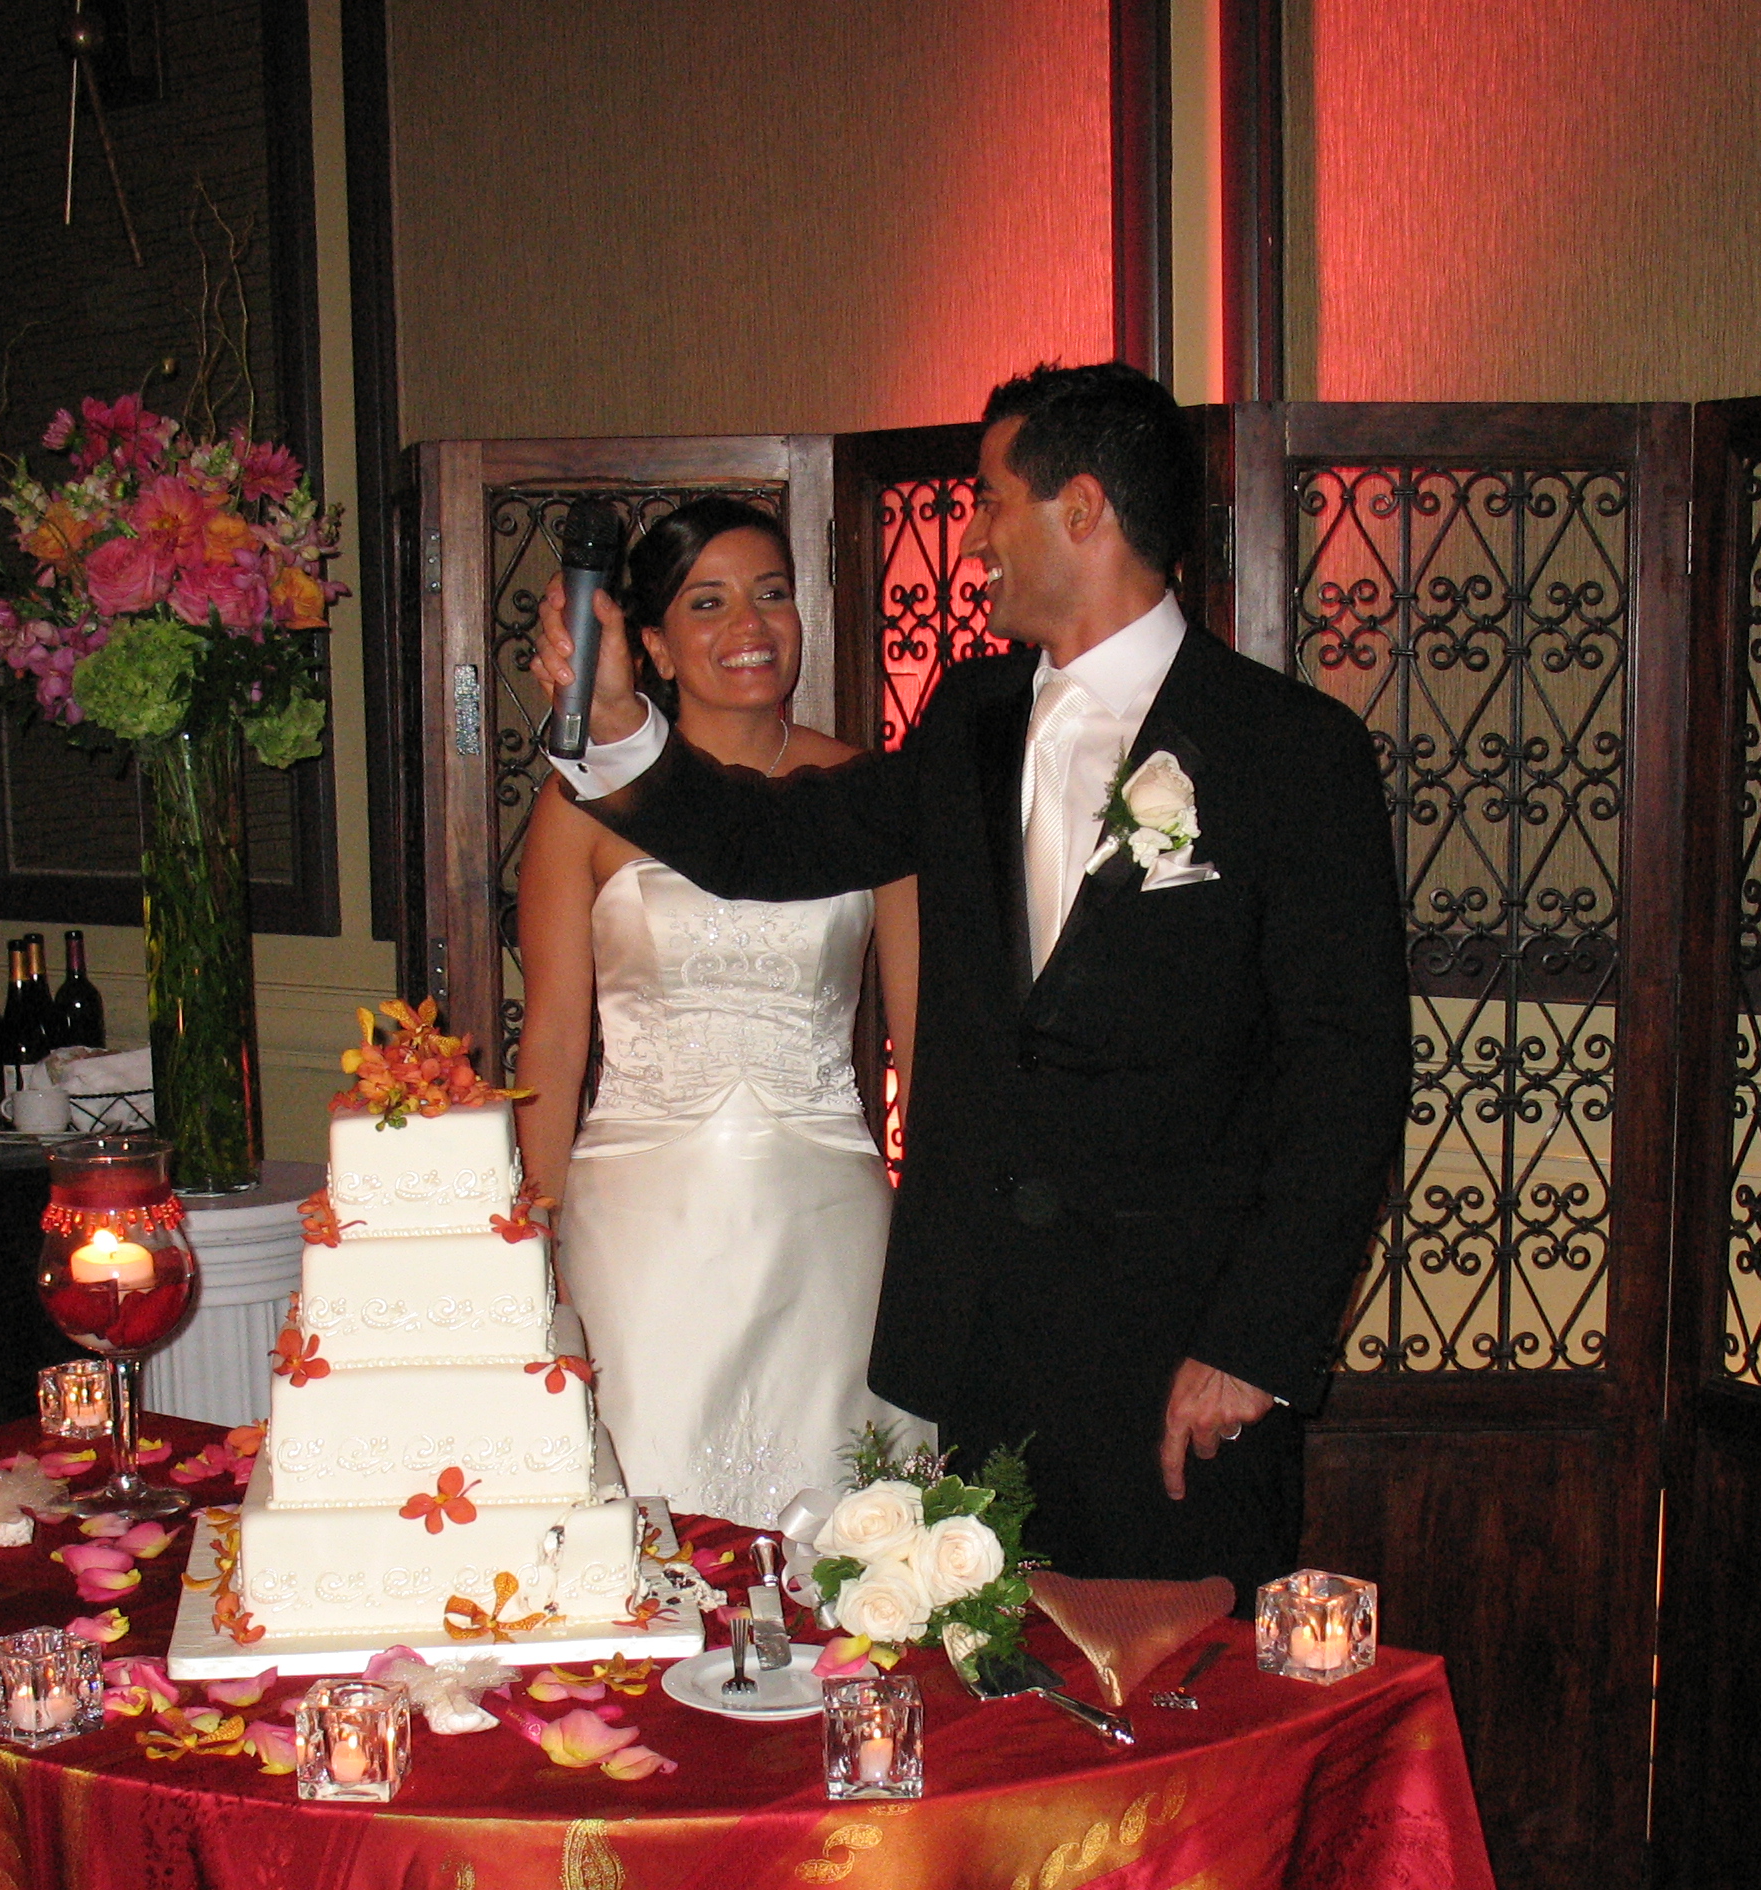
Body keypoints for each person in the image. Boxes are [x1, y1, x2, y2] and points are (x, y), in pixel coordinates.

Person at [538, 363, 1409, 1604]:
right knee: (986, 1678)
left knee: (1178, 1690)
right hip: (983, 1350)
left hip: (1178, 1362)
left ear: (1081, 510)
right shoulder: (972, 714)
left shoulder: (1292, 749)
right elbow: (776, 843)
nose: (973, 539)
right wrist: (622, 727)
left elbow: (1348, 1074)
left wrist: (1255, 1345)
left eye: (992, 500)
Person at [515, 498, 927, 1523]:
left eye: (771, 594)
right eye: (708, 602)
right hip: (641, 1227)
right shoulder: (580, 801)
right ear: (650, 644)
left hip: (827, 1221)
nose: (751, 625)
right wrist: (534, 1233)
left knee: (845, 1517)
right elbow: (554, 1041)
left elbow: (922, 1038)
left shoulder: (871, 792)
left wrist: (942, 1231)